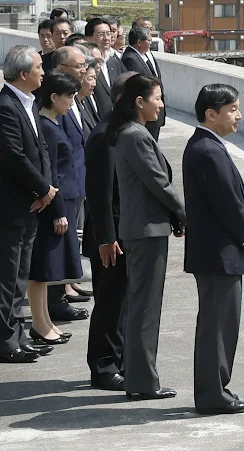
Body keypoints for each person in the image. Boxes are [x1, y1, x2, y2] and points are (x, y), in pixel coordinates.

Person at [0, 45, 57, 363]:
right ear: (23, 74)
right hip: (5, 208)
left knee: (19, 276)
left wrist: (45, 189)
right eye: (38, 67)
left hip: (29, 204)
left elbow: (41, 149)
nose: (43, 72)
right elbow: (14, 159)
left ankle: (18, 336)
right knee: (5, 278)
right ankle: (4, 343)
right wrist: (41, 190)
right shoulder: (4, 107)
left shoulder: (27, 102)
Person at [106, 74, 186, 400]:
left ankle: (140, 379)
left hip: (145, 228)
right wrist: (185, 213)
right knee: (144, 309)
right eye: (157, 98)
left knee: (142, 306)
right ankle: (142, 382)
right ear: (139, 102)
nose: (162, 104)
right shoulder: (135, 136)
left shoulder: (131, 133)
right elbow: (158, 184)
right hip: (145, 231)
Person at [182, 84, 244, 414]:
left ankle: (216, 389)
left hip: (216, 253)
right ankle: (213, 394)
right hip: (218, 253)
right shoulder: (208, 150)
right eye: (232, 110)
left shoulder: (208, 145)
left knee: (220, 323)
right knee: (217, 325)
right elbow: (227, 203)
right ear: (211, 114)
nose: (238, 115)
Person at [84, 71, 137, 391]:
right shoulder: (105, 137)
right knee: (109, 303)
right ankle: (103, 367)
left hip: (121, 232)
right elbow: (100, 194)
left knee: (120, 302)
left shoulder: (123, 132)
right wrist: (107, 238)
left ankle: (117, 360)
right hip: (110, 236)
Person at [28, 71, 84, 346]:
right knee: (43, 267)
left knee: (50, 269)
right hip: (54, 204)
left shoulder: (53, 122)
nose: (72, 103)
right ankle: (40, 324)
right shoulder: (46, 126)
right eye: (69, 97)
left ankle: (46, 321)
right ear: (53, 97)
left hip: (65, 199)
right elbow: (51, 175)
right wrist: (57, 211)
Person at [121, 27, 164, 141]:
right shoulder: (131, 59)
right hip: (144, 111)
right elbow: (136, 86)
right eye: (148, 40)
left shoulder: (142, 56)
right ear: (139, 42)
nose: (151, 43)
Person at [86, 18, 127, 116]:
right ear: (88, 37)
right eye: (101, 34)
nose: (106, 38)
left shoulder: (114, 61)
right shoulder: (85, 64)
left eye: (108, 34)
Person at [76, 61, 98, 132]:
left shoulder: (84, 102)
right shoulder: (71, 106)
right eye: (90, 78)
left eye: (95, 78)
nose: (94, 84)